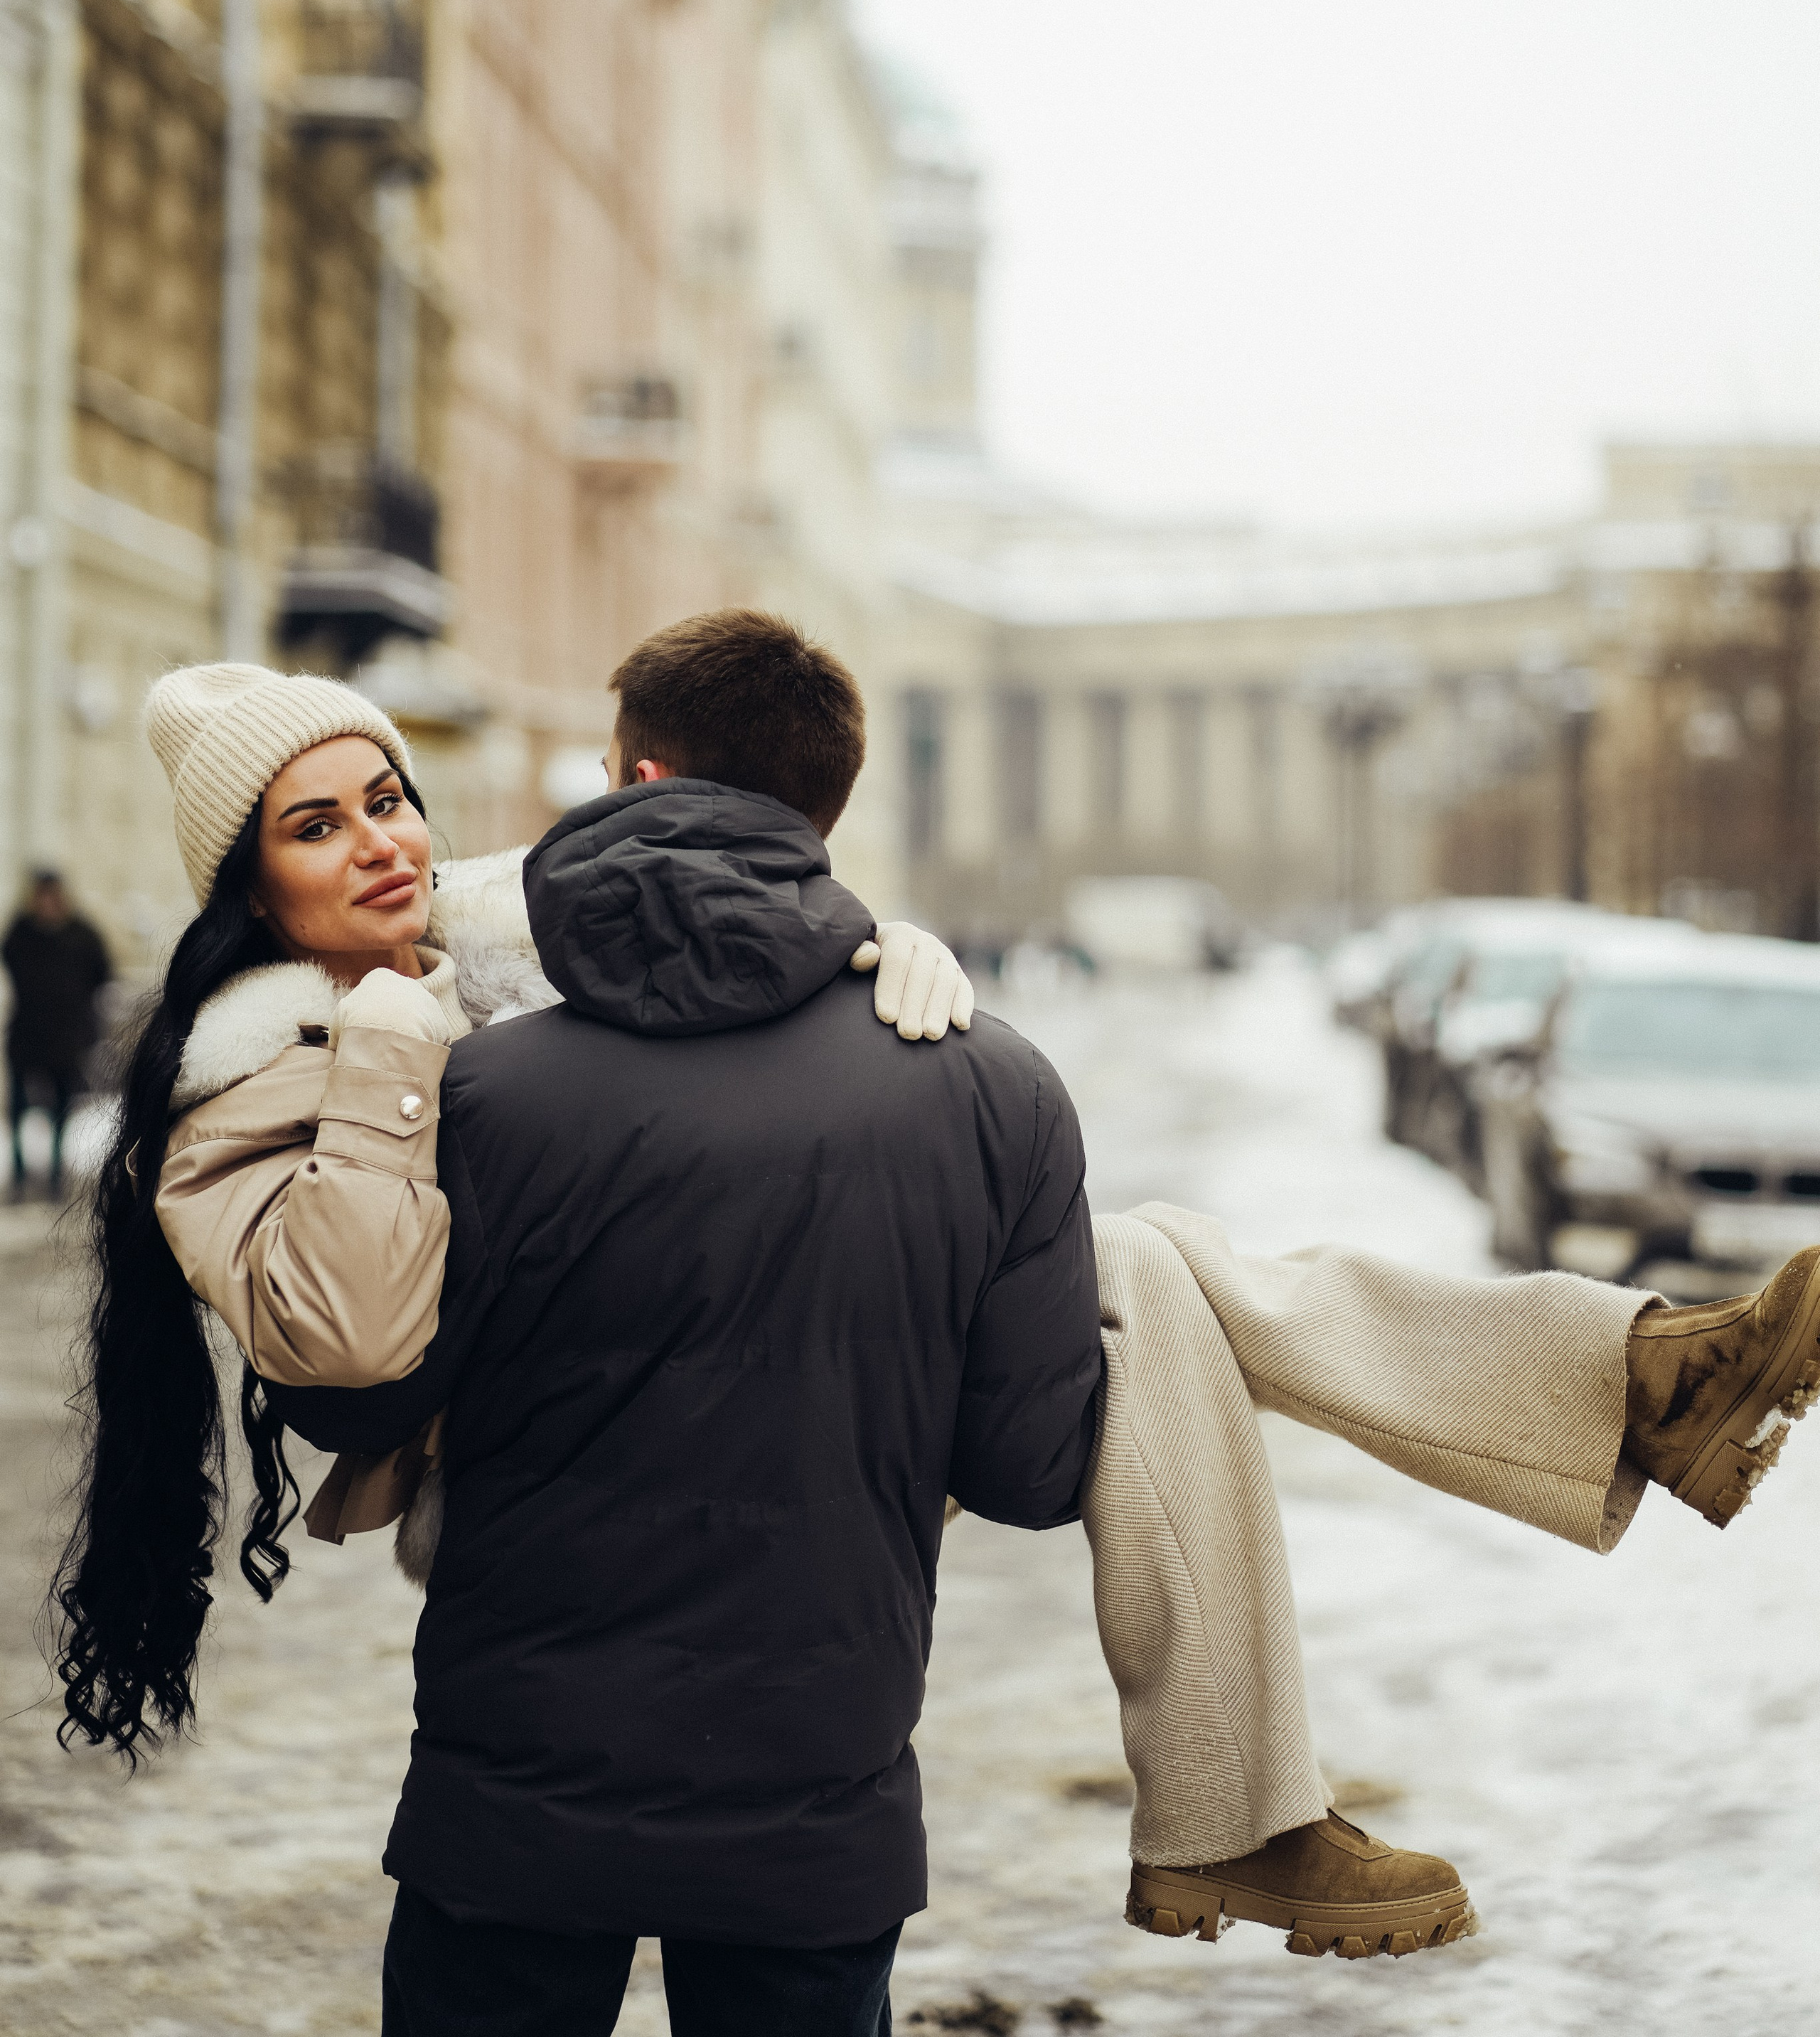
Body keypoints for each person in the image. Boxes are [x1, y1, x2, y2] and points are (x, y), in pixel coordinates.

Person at [51, 631, 1820, 2023]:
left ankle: (1631, 1376)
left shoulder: (456, 961)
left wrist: (870, 946)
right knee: (1132, 1270)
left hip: (602, 1722)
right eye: (317, 823)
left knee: (1147, 1258)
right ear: (241, 886)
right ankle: (1328, 1709)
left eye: (389, 798)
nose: (383, 843)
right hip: (538, 1634)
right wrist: (401, 1056)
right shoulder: (244, 1076)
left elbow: (678, 879)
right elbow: (356, 1339)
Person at [4, 868, 112, 1199]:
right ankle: (21, 1174)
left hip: (66, 1039)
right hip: (27, 1036)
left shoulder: (82, 935)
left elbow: (102, 974)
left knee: (60, 1111)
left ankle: (54, 1176)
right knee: (19, 1109)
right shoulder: (20, 933)